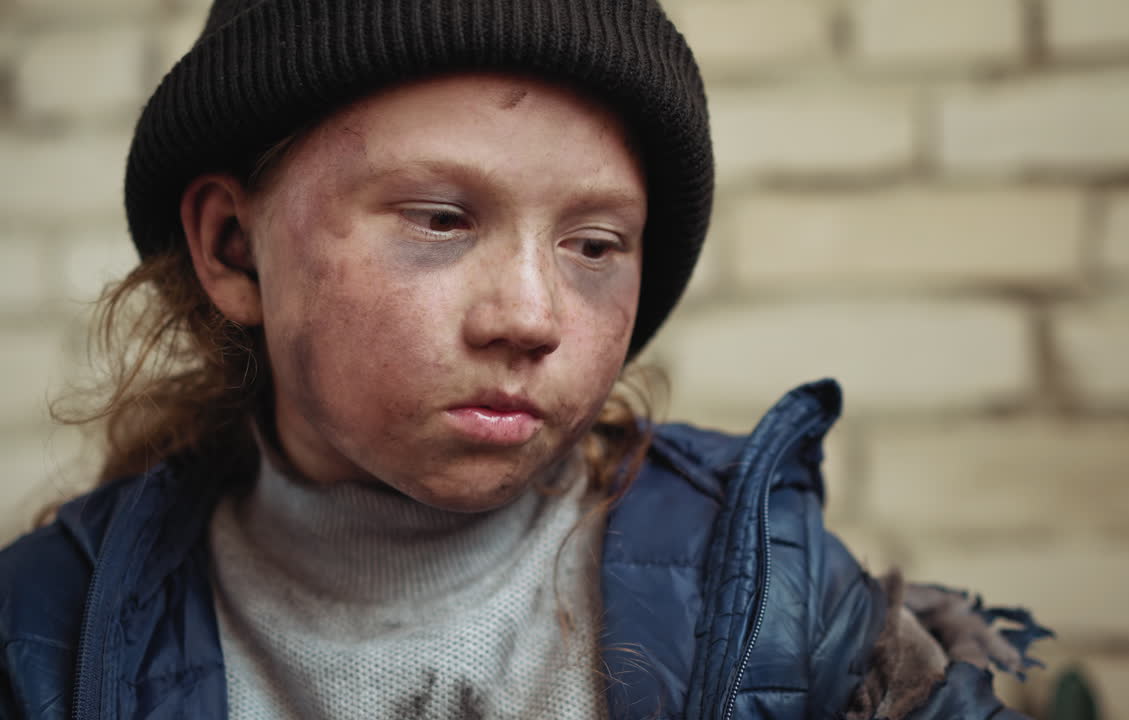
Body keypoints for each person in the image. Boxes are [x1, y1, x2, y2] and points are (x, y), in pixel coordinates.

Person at [0, 1, 1050, 718]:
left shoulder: (775, 598)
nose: (530, 316)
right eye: (441, 219)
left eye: (594, 245)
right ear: (234, 248)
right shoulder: (46, 636)